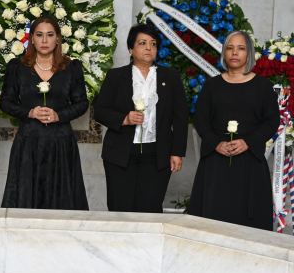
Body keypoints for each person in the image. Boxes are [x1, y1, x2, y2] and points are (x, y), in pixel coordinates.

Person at [189, 31, 279, 230]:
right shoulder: (211, 86)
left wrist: (248, 142)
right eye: (230, 48)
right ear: (224, 53)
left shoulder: (263, 87)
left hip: (250, 161)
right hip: (216, 162)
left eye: (241, 48)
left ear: (249, 53)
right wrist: (215, 143)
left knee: (249, 224)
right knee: (213, 221)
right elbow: (201, 120)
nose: (234, 52)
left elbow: (271, 121)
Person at [95, 24, 188, 213]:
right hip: (120, 154)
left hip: (157, 154)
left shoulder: (170, 77)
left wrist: (177, 152)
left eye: (153, 44)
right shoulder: (115, 76)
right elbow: (100, 110)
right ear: (131, 48)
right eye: (142, 43)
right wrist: (125, 119)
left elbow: (180, 117)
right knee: (120, 208)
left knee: (150, 209)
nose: (148, 48)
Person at [0, 16, 89, 210]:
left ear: (58, 38)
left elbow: (82, 103)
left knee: (62, 201)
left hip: (61, 144)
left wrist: (59, 115)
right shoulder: (17, 67)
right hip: (28, 143)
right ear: (31, 38)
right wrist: (29, 112)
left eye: (50, 35)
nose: (45, 40)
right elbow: (5, 102)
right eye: (39, 35)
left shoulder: (71, 67)